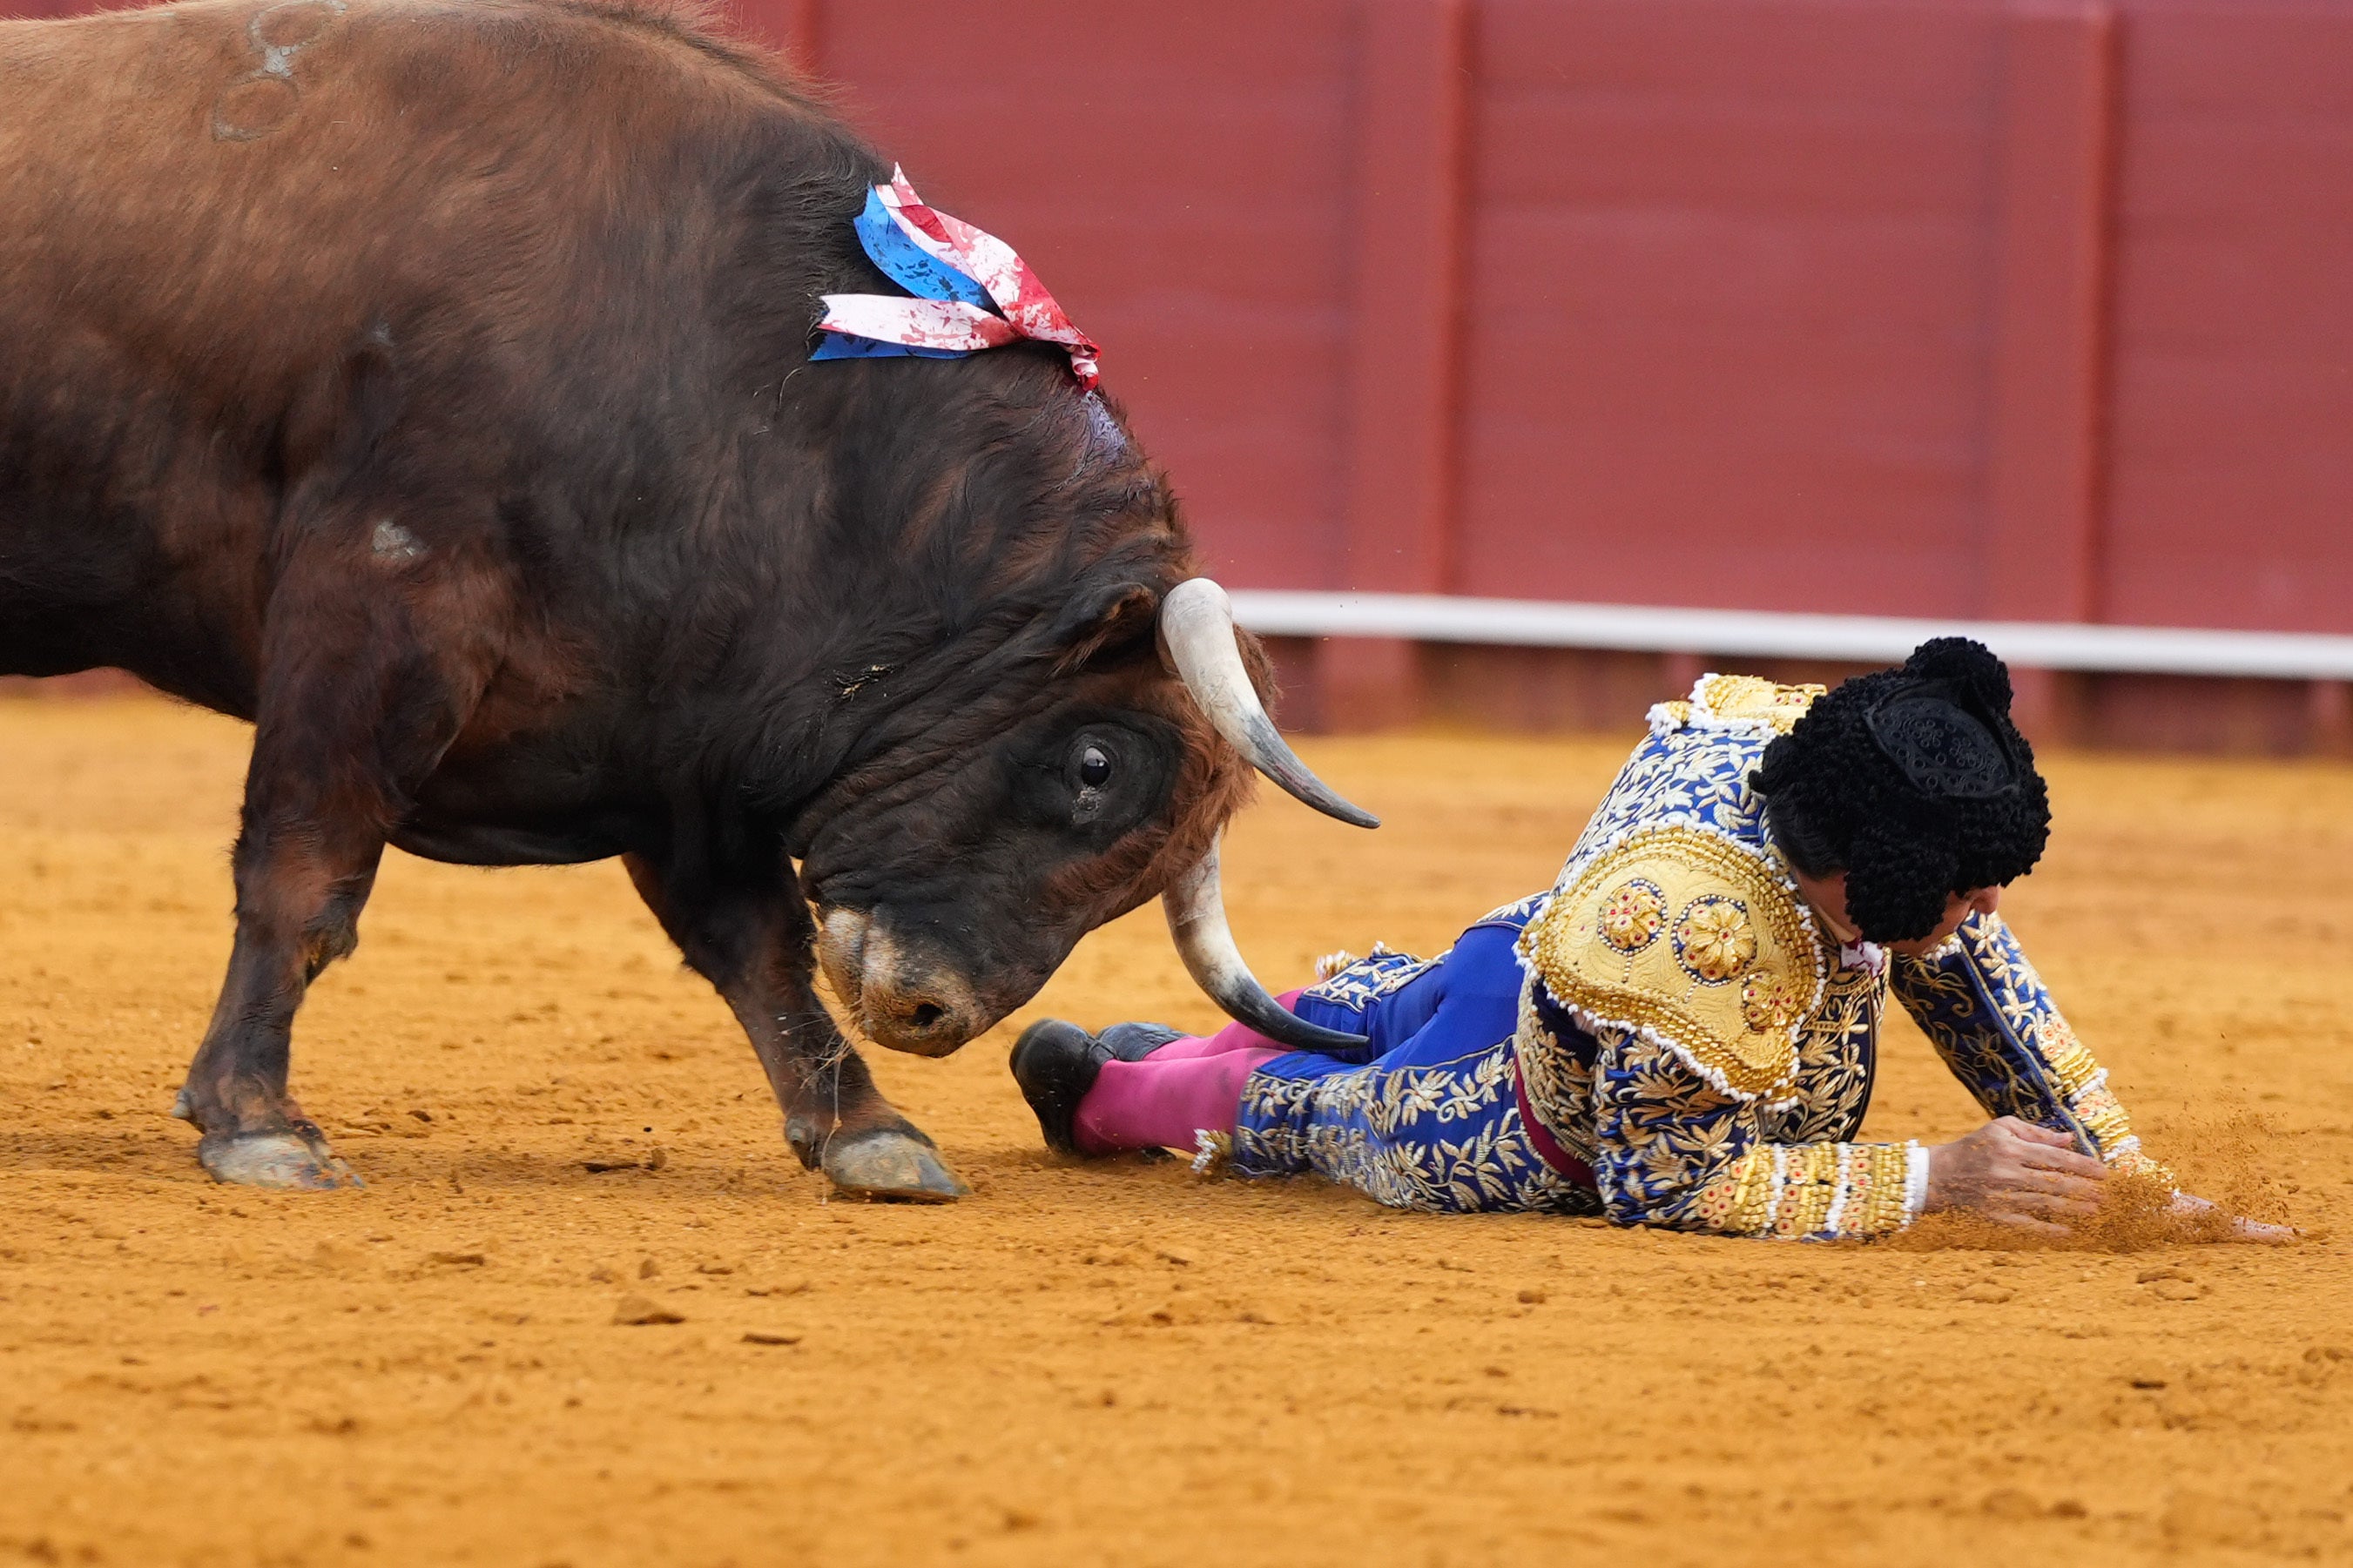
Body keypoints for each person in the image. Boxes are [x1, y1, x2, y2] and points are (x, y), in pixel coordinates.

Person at [1009, 638, 2278, 1241]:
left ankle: (1166, 1051)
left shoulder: (1816, 762)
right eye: (1966, 885)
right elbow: (1659, 1181)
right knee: (1311, 1109)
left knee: (1387, 995)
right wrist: (1932, 1179)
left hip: (1532, 954)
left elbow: (1969, 979)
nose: (1986, 909)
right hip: (1514, 1120)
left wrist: (2130, 1184)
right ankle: (1108, 1094)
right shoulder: (1705, 929)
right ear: (1872, 871)